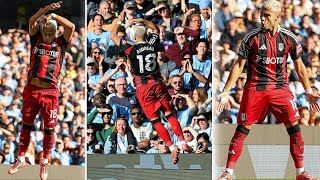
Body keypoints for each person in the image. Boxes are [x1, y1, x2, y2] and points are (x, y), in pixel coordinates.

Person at [217, 1, 320, 180]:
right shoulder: (252, 37)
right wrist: (226, 90)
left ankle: (301, 173)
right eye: (261, 14)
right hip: (255, 87)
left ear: (277, 17)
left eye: (266, 15)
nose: (262, 19)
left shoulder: (289, 38)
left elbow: (300, 66)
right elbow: (239, 64)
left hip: (281, 88)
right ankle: (228, 173)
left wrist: (309, 89)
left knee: (295, 129)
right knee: (242, 129)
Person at [110, 12, 193, 164]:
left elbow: (112, 36)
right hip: (158, 84)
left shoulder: (130, 49)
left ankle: (171, 146)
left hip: (143, 88)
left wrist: (121, 22)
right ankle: (182, 141)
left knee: (156, 121)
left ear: (134, 38)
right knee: (170, 114)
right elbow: (155, 29)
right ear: (146, 36)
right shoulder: (152, 43)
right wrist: (142, 20)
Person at [7, 2, 75, 180]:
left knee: (49, 130)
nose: (46, 36)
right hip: (32, 90)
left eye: (50, 34)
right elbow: (31, 20)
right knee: (27, 125)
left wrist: (54, 17)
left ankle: (45, 162)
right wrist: (46, 11)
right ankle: (20, 158)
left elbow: (71, 26)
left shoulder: (61, 43)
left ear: (55, 33)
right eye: (45, 33)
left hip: (50, 92)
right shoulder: (35, 38)